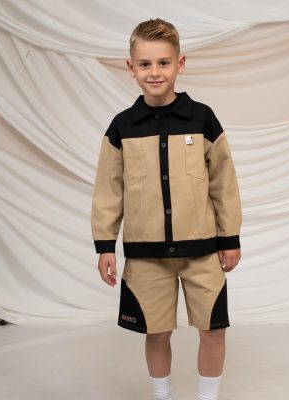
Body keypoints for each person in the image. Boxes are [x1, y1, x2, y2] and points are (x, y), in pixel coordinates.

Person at [91, 18, 242, 400]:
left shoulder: (202, 118)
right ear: (131, 67)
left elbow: (223, 182)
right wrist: (105, 246)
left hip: (202, 251)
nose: (154, 72)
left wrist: (229, 237)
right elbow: (109, 190)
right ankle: (163, 396)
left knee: (214, 329)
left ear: (180, 64)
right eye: (145, 64)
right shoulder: (121, 127)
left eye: (163, 62)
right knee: (156, 333)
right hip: (146, 256)